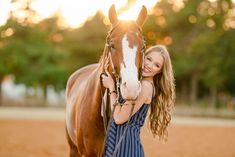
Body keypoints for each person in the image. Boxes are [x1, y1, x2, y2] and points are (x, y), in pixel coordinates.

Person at [101, 44, 176, 157]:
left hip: (125, 146)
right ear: (142, 56)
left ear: (160, 71)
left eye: (156, 65)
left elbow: (119, 118)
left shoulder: (145, 87)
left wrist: (111, 87)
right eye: (149, 59)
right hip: (121, 140)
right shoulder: (137, 82)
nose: (149, 65)